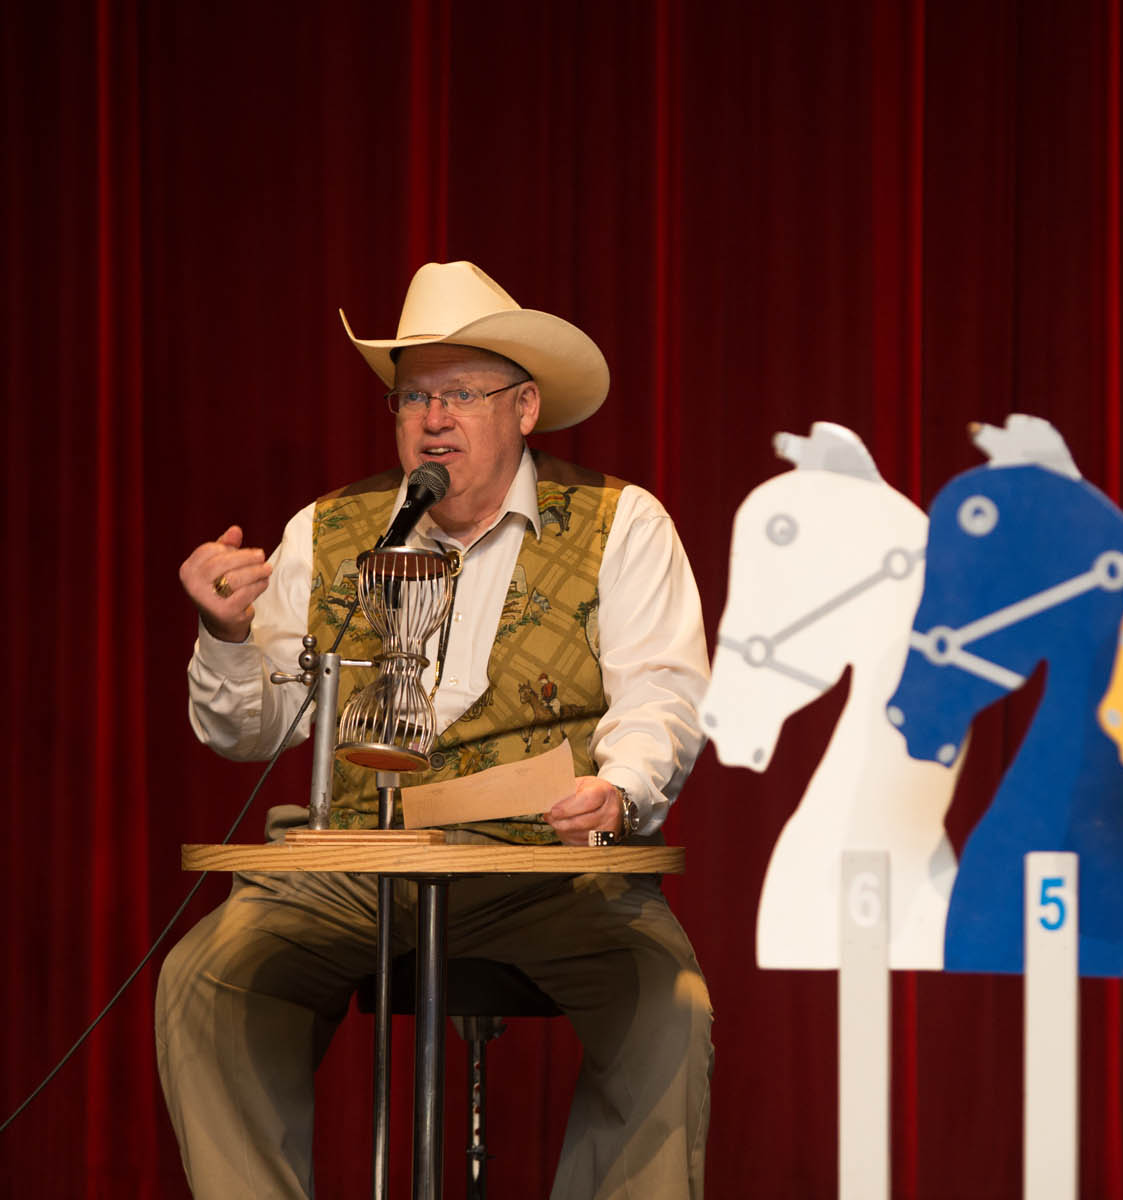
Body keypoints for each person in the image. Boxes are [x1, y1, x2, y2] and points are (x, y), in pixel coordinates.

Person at [155, 261, 713, 1199]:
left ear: (526, 407)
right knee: (208, 978)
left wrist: (620, 788)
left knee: (668, 1003)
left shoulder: (622, 523)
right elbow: (251, 731)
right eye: (413, 396)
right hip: (356, 874)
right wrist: (225, 635)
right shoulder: (333, 529)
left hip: (541, 872)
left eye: (462, 392)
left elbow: (662, 692)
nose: (433, 417)